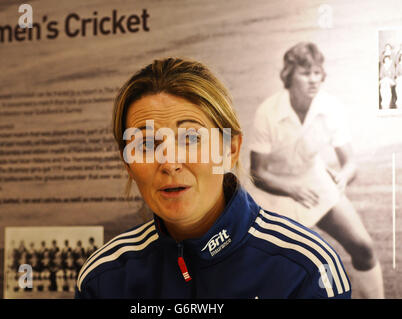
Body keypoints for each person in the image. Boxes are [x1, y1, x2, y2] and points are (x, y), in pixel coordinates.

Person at [75, 57, 351, 298]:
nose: (170, 163)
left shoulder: (307, 269)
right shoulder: (104, 277)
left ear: (230, 150)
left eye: (191, 138)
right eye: (146, 145)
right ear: (128, 164)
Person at [249, 42, 384, 298]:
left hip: (313, 182)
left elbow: (350, 162)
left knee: (363, 247)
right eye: (305, 73)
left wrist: (343, 176)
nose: (313, 80)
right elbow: (257, 173)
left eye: (317, 73)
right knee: (284, 272)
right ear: (289, 76)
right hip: (273, 194)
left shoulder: (330, 107)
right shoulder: (267, 111)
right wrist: (291, 189)